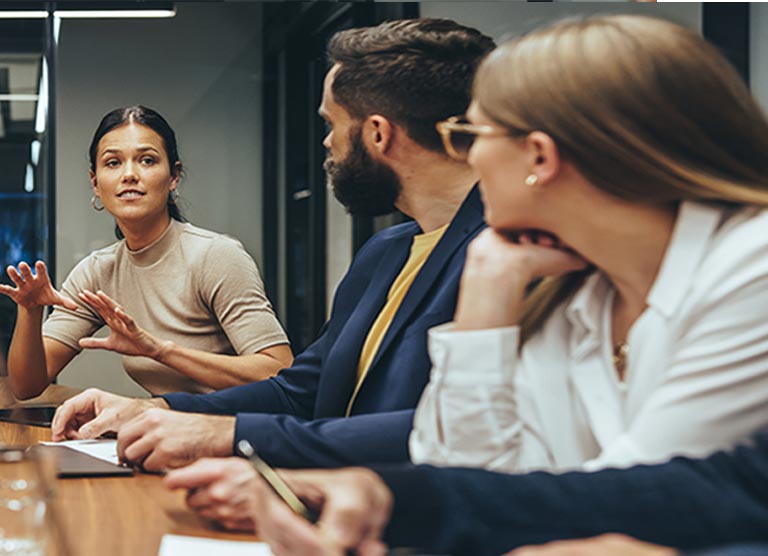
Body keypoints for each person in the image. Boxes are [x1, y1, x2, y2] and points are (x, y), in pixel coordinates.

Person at [196, 5, 768, 555]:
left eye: (471, 136)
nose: (466, 159)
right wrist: (487, 293)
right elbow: (474, 473)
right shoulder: (568, 285)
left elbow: (645, 504)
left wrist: (405, 502)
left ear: (540, 158)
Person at [45, 19, 497, 475]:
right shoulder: (385, 252)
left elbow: (458, 432)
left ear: (378, 134)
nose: (327, 143)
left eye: (331, 124)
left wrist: (228, 435)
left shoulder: (507, 259)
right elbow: (301, 390)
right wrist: (154, 409)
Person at [0, 105, 293, 399]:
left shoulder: (216, 256)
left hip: (235, 434)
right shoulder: (98, 272)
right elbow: (26, 386)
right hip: (165, 432)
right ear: (95, 182)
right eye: (113, 163)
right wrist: (30, 312)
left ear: (174, 176)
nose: (129, 174)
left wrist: (159, 350)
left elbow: (277, 374)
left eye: (147, 160)